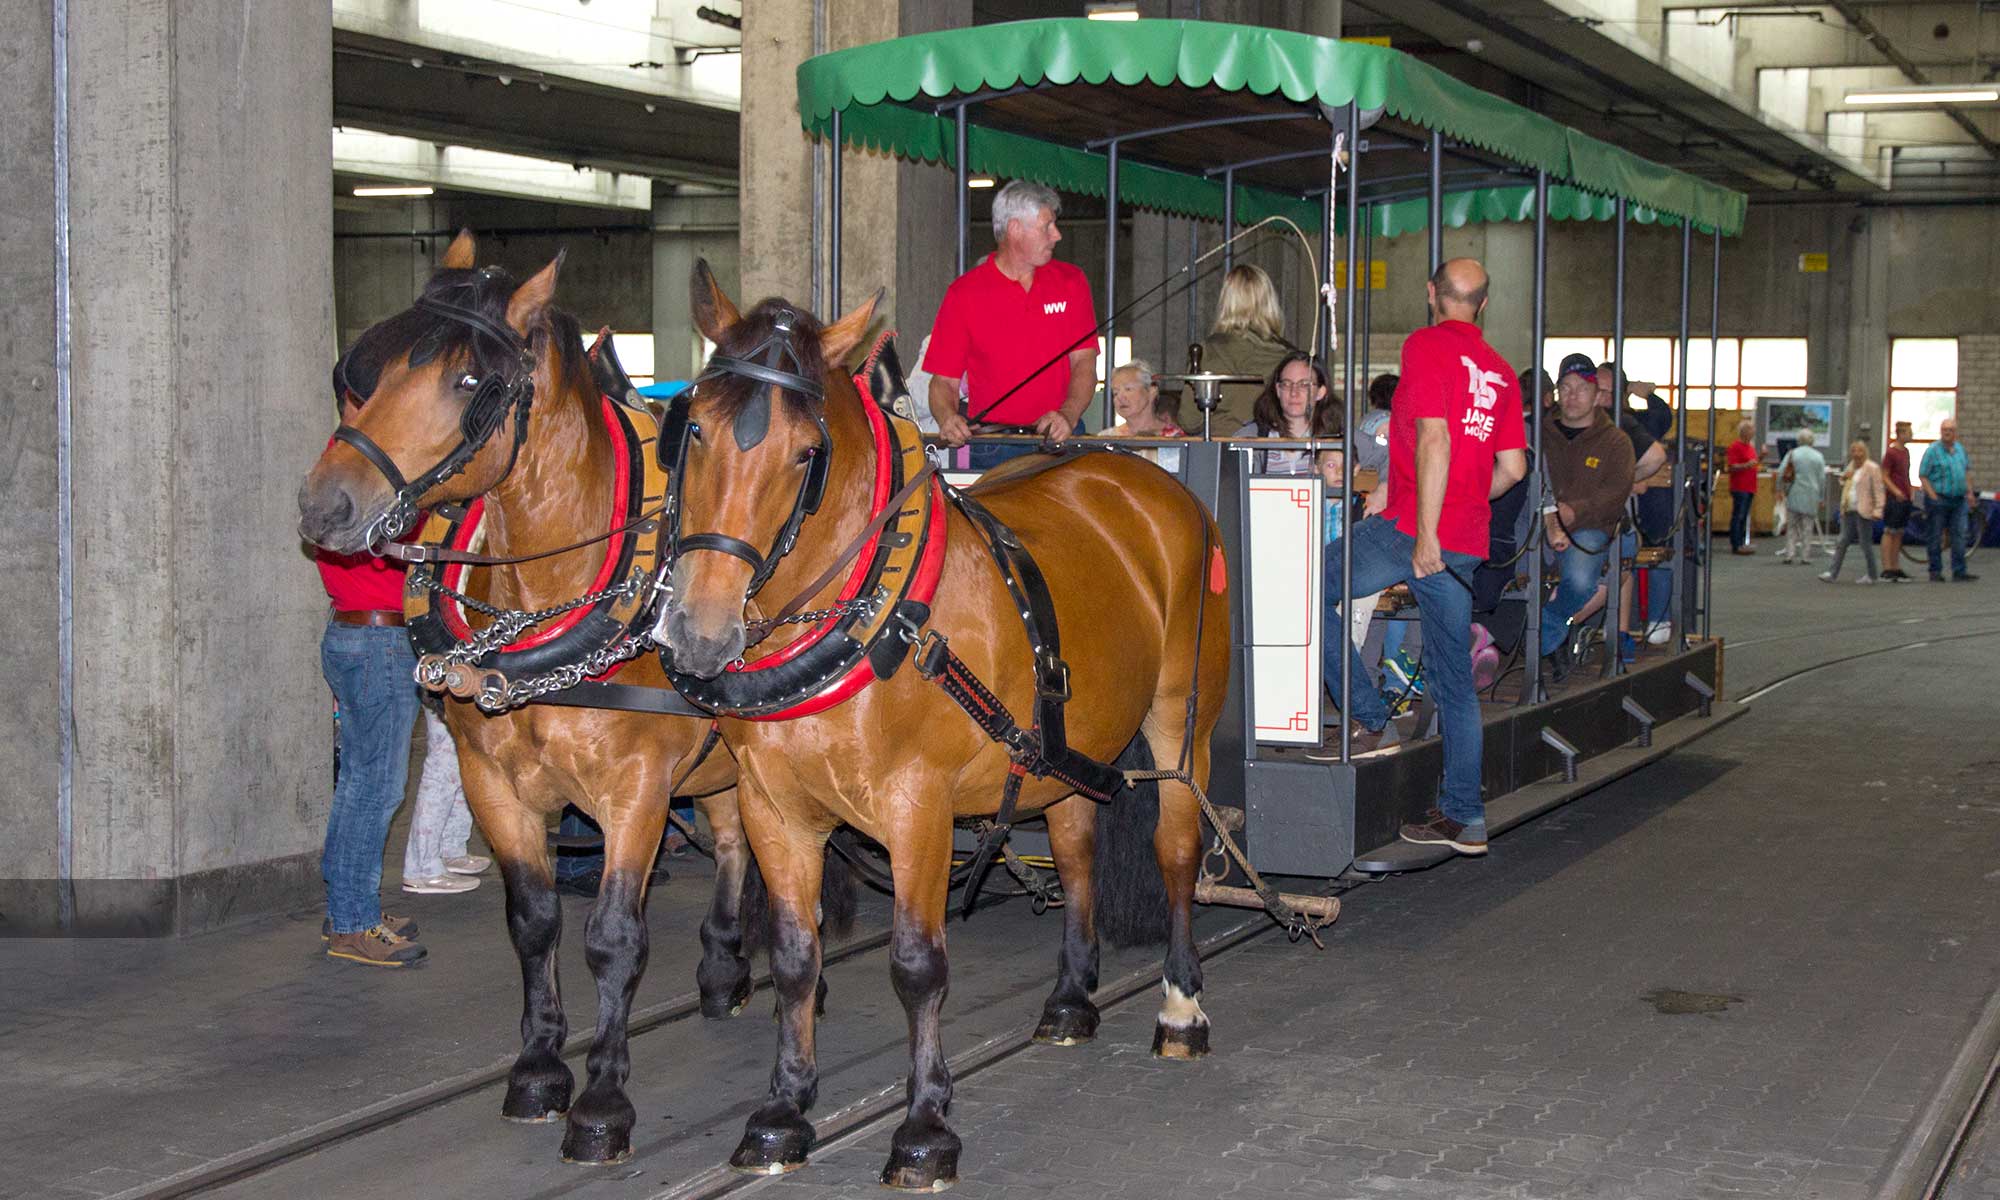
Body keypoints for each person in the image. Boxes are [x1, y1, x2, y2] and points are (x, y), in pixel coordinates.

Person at [1317, 259, 1528, 857]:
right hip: (1463, 538)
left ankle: (1369, 712)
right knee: (1454, 681)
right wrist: (1451, 503)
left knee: (1310, 588)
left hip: (1418, 534)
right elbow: (1513, 469)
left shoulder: (1426, 345)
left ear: (1431, 293)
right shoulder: (1503, 374)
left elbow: (1434, 437)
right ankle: (1464, 816)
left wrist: (1426, 530)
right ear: (1483, 305)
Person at [315, 400, 427, 967]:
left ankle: (349, 907)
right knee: (375, 787)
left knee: (361, 782)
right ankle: (354, 923)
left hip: (358, 634)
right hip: (380, 641)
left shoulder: (336, 468)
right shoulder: (363, 475)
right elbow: (400, 545)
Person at [924, 180, 1099, 469]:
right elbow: (943, 381)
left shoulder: (1072, 282)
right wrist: (948, 417)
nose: (1056, 235)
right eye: (1047, 226)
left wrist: (1067, 414)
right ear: (1015, 229)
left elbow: (1085, 364)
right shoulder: (963, 293)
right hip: (991, 447)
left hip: (1058, 440)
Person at [1536, 354, 1637, 678]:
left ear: (1598, 396)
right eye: (1565, 387)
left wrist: (1573, 512)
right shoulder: (1539, 434)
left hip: (1591, 528)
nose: (1572, 395)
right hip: (1537, 525)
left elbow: (1615, 495)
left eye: (1581, 388)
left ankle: (1543, 633)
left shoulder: (1616, 442)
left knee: (1579, 581)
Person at [400, 704, 489, 894]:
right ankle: (422, 868)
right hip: (443, 679)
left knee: (460, 760)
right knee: (444, 762)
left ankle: (450, 848)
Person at [1198, 264, 1295, 432]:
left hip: (1216, 448)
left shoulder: (1206, 352)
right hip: (1269, 450)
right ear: (1270, 301)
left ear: (1226, 302)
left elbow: (1189, 420)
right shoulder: (1289, 357)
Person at [1236, 351, 1329, 476]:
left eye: (1304, 385)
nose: (1293, 392)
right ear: (1278, 390)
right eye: (1286, 384)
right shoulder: (1250, 437)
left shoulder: (1339, 437)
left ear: (1320, 392)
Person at [1921, 416, 1978, 582]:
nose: (1948, 433)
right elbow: (1923, 475)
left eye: (1951, 430)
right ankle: (1935, 571)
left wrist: (1970, 493)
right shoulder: (1932, 450)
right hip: (1939, 499)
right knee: (1935, 535)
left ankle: (1959, 571)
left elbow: (1966, 472)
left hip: (1959, 500)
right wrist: (1932, 496)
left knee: (1960, 535)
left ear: (1955, 433)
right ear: (1941, 432)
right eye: (1945, 430)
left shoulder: (1960, 449)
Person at [1821, 440, 1883, 584]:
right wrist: (1844, 478)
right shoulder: (1851, 466)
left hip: (1864, 510)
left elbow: (1878, 490)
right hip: (1849, 509)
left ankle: (1872, 575)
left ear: (1865, 452)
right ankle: (1832, 573)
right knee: (1842, 541)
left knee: (1865, 543)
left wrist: (1878, 509)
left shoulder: (1872, 468)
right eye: (1854, 451)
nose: (1856, 454)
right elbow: (1848, 484)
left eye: (1860, 451)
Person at [1776, 429, 1826, 564]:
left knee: (1792, 526)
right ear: (1812, 440)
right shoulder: (1818, 456)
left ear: (1798, 440)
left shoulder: (1792, 454)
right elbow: (1822, 479)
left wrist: (1779, 489)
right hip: (1811, 494)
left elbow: (1781, 472)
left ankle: (1789, 554)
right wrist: (1821, 497)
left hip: (1794, 492)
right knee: (1807, 527)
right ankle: (1805, 556)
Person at [1881, 419, 1916, 579]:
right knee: (1890, 531)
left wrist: (1910, 491)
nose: (1911, 435)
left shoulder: (1906, 452)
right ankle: (1887, 566)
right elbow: (1884, 475)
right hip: (1894, 498)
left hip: (1905, 497)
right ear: (1901, 434)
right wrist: (1895, 491)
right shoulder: (1891, 452)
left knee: (1899, 532)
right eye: (1909, 432)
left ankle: (1895, 566)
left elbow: (1906, 474)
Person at [1724, 418, 1760, 556]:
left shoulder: (1750, 448)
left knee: (1744, 516)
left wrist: (1760, 457)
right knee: (1738, 516)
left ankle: (1742, 542)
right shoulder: (1735, 447)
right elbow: (1731, 466)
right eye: (1751, 429)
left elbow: (1754, 463)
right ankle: (1736, 544)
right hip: (1740, 487)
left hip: (1750, 486)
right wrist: (1746, 465)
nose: (1753, 432)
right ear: (1744, 431)